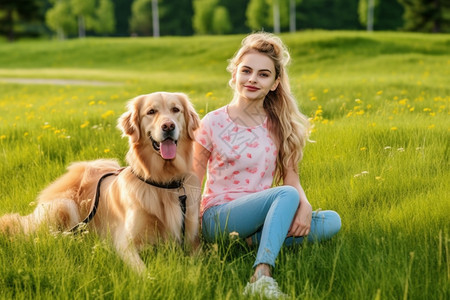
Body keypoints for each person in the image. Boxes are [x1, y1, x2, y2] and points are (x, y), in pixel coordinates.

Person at [193, 32, 341, 298]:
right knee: (286, 195)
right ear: (234, 75)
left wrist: (304, 206)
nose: (252, 79)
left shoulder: (279, 126)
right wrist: (189, 236)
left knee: (331, 221)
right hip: (218, 218)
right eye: (246, 71)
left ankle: (250, 240)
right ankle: (262, 275)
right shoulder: (212, 122)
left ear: (274, 83)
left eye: (263, 74)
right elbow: (192, 181)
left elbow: (291, 178)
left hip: (261, 217)